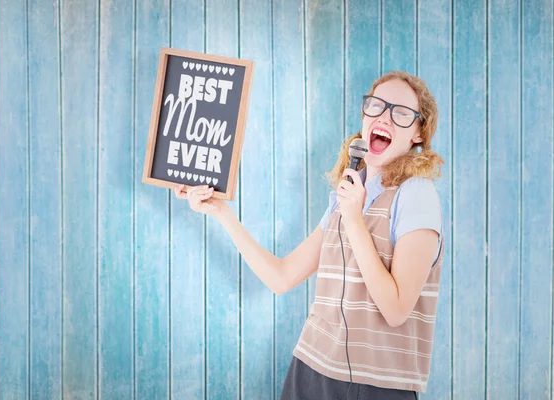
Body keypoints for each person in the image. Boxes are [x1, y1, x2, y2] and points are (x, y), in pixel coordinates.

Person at [175, 70, 445, 400]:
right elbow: (282, 277)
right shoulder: (345, 197)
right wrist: (221, 212)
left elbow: (396, 309)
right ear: (364, 115)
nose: (384, 116)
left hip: (374, 385)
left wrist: (355, 220)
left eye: (401, 113)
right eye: (376, 106)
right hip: (309, 369)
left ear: (419, 132)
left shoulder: (415, 194)